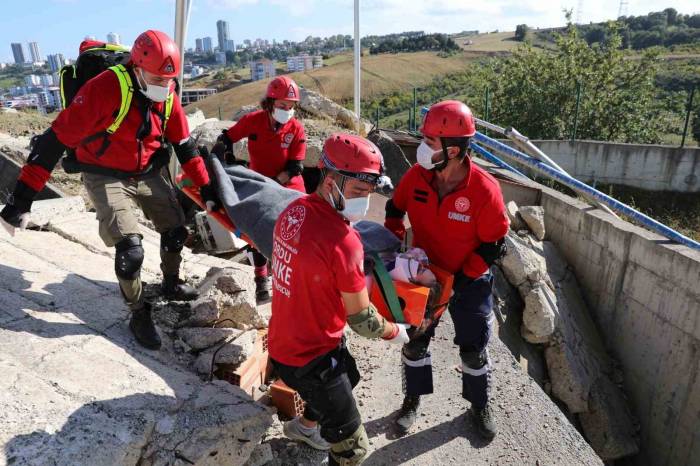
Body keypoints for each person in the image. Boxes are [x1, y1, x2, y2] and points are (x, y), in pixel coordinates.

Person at [0, 30, 219, 350]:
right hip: (104, 175)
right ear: (137, 67)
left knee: (175, 232)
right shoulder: (105, 89)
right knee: (131, 251)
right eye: (157, 79)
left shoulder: (167, 94)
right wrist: (21, 201)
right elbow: (53, 142)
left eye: (168, 80)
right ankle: (138, 313)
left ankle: (171, 284)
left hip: (146, 171)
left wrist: (208, 190)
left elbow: (184, 147)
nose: (164, 87)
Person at [268, 133, 409, 465]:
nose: (365, 201)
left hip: (285, 342)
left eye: (369, 193)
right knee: (353, 449)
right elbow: (362, 320)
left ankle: (305, 427)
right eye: (358, 192)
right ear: (331, 180)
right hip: (311, 357)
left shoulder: (294, 210)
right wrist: (395, 332)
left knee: (352, 375)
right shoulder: (344, 241)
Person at [384, 100, 509, 440]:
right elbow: (394, 210)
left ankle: (478, 405)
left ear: (453, 150)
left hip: (469, 280)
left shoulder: (484, 190)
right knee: (415, 342)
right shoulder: (416, 177)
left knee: (473, 348)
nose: (422, 148)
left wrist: (457, 284)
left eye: (430, 142)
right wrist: (400, 250)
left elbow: (492, 244)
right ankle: (412, 401)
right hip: (424, 275)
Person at [217, 76, 307, 303]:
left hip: (288, 188)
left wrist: (274, 185)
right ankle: (261, 281)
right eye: (282, 105)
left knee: (295, 238)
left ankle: (294, 283)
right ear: (269, 103)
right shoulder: (253, 121)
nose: (287, 110)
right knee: (256, 231)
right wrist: (225, 159)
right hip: (259, 183)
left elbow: (295, 167)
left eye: (290, 106)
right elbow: (226, 138)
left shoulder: (296, 129)